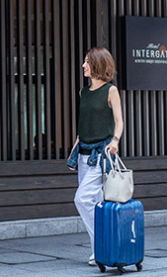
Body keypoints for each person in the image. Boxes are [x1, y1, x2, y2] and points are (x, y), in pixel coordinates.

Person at [66, 47, 124, 267]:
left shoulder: (111, 91)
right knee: (96, 203)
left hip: (101, 156)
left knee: (81, 199)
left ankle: (102, 245)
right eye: (84, 62)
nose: (83, 66)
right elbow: (83, 126)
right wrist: (73, 152)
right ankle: (99, 250)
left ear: (99, 65)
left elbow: (119, 121)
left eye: (87, 62)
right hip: (83, 155)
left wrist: (115, 141)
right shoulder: (84, 93)